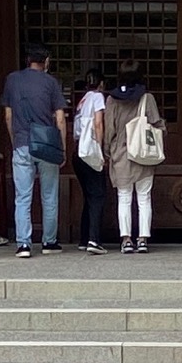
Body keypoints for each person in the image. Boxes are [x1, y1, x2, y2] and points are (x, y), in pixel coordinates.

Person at [0, 40, 68, 258]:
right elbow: (60, 119)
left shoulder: (12, 80)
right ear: (46, 61)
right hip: (46, 145)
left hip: (22, 142)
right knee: (49, 196)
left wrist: (15, 140)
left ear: (27, 60)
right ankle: (49, 242)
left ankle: (24, 244)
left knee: (22, 197)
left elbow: (8, 116)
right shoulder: (51, 82)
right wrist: (62, 148)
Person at [102, 58, 166, 253]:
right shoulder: (147, 98)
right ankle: (143, 239)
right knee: (144, 197)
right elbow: (156, 124)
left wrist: (107, 150)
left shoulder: (112, 100)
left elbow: (109, 130)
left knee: (124, 197)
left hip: (121, 153)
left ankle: (126, 240)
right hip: (144, 153)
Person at [71, 73, 112, 254]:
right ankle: (94, 240)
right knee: (98, 195)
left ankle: (84, 237)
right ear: (101, 84)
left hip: (78, 151)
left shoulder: (83, 100)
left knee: (89, 195)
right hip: (90, 151)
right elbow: (98, 123)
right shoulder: (97, 97)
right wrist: (100, 149)